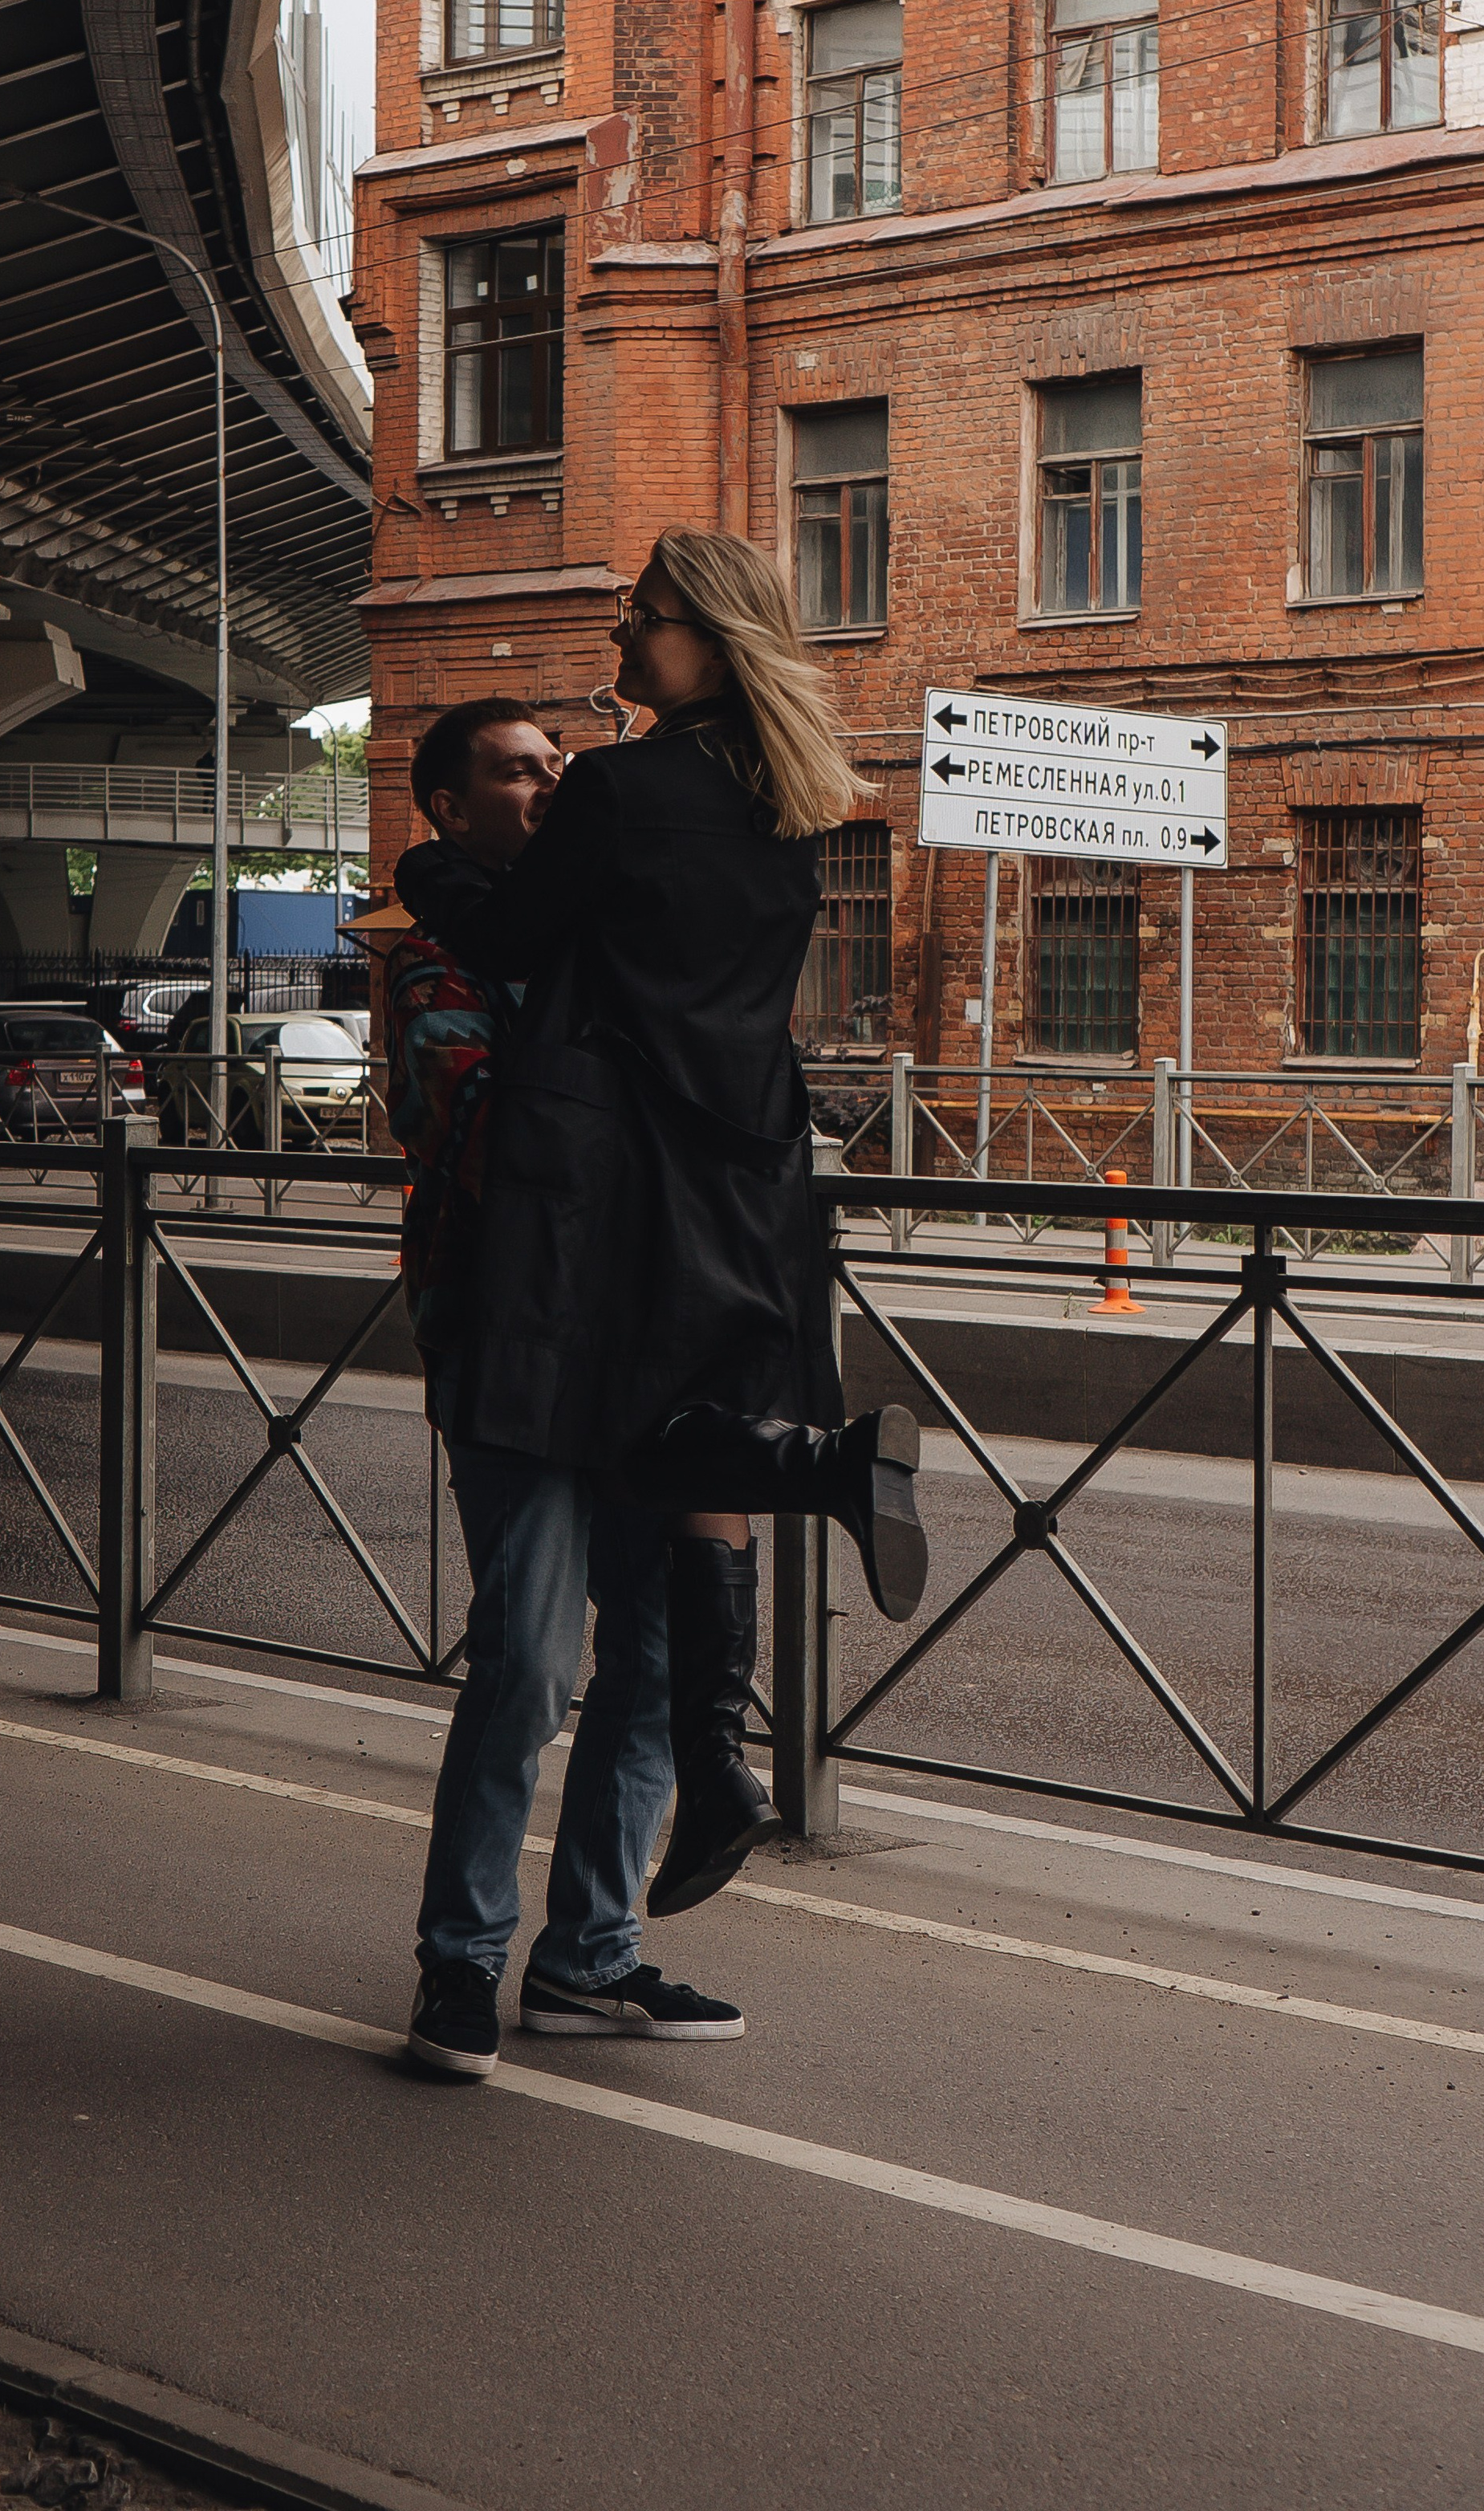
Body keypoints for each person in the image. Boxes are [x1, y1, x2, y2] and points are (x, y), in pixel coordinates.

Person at [395, 527, 929, 1940]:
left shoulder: (626, 790)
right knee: (683, 1443)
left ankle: (816, 1482)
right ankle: (713, 1759)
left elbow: (518, 948)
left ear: (701, 630)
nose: (620, 651)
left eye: (638, 624)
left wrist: (429, 873)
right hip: (749, 1175)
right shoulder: (787, 805)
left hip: (613, 1191)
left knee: (596, 1506)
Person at [389, 697, 747, 2081]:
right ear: (447, 810)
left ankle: (586, 1961)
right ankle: (459, 1963)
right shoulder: (435, 963)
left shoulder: (600, 945)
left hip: (641, 1352)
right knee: (531, 1664)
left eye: (556, 770)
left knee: (654, 1665)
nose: (546, 789)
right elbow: (490, 1138)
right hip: (509, 1346)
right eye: (514, 773)